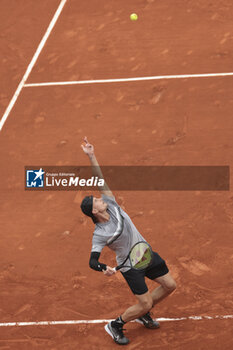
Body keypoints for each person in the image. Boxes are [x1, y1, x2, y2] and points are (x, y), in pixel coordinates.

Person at [80, 137, 176, 345]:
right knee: (145, 301)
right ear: (94, 211)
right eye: (97, 201)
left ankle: (144, 313)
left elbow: (99, 178)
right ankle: (115, 324)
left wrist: (91, 155)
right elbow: (92, 261)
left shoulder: (111, 204)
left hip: (145, 253)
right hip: (131, 266)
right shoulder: (100, 233)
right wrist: (103, 267)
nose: (100, 199)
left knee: (170, 285)